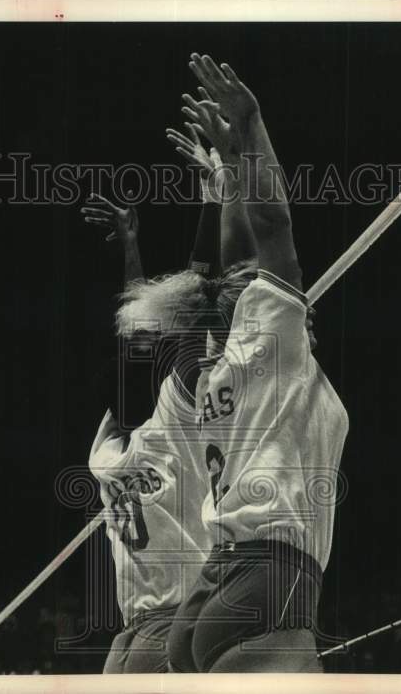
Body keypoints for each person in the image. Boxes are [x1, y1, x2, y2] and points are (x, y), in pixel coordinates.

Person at [165, 53, 349, 673]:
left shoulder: (212, 374)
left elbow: (232, 260)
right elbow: (269, 226)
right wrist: (252, 129)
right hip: (269, 574)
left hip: (212, 583)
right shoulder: (273, 334)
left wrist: (224, 182)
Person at [80, 138, 251, 673]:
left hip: (154, 629)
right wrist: (133, 242)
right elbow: (162, 313)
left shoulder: (134, 435)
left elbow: (163, 316)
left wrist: (209, 200)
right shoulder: (144, 430)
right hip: (153, 627)